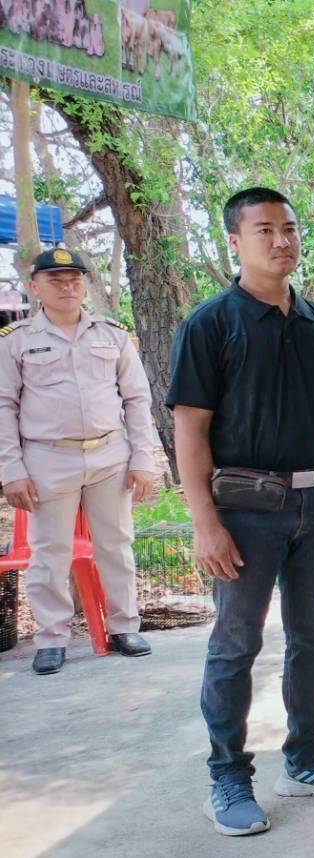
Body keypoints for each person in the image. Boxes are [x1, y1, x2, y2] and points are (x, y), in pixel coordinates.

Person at [168, 187, 314, 835]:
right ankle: (227, 776)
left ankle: (307, 757)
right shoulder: (210, 324)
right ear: (235, 242)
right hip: (244, 510)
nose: (282, 240)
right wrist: (204, 522)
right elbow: (190, 430)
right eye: (265, 230)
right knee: (236, 643)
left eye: (289, 228)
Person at [0, 247, 160, 678]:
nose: (67, 287)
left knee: (116, 544)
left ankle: (124, 627)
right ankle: (52, 638)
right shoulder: (17, 341)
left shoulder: (112, 334)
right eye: (55, 280)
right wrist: (11, 470)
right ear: (34, 287)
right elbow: (3, 406)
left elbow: (137, 399)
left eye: (74, 279)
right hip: (47, 457)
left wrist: (143, 457)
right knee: (49, 552)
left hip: (109, 454)